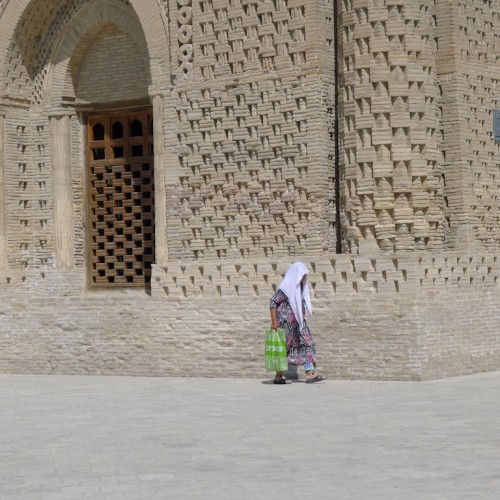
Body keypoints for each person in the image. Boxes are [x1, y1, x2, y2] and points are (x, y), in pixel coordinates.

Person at [270, 262, 324, 384]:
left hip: (299, 323)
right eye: (302, 275)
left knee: (307, 343)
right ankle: (278, 376)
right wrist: (274, 322)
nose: (304, 278)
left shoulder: (300, 289)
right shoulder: (285, 289)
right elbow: (273, 302)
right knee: (284, 349)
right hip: (285, 325)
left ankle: (310, 373)